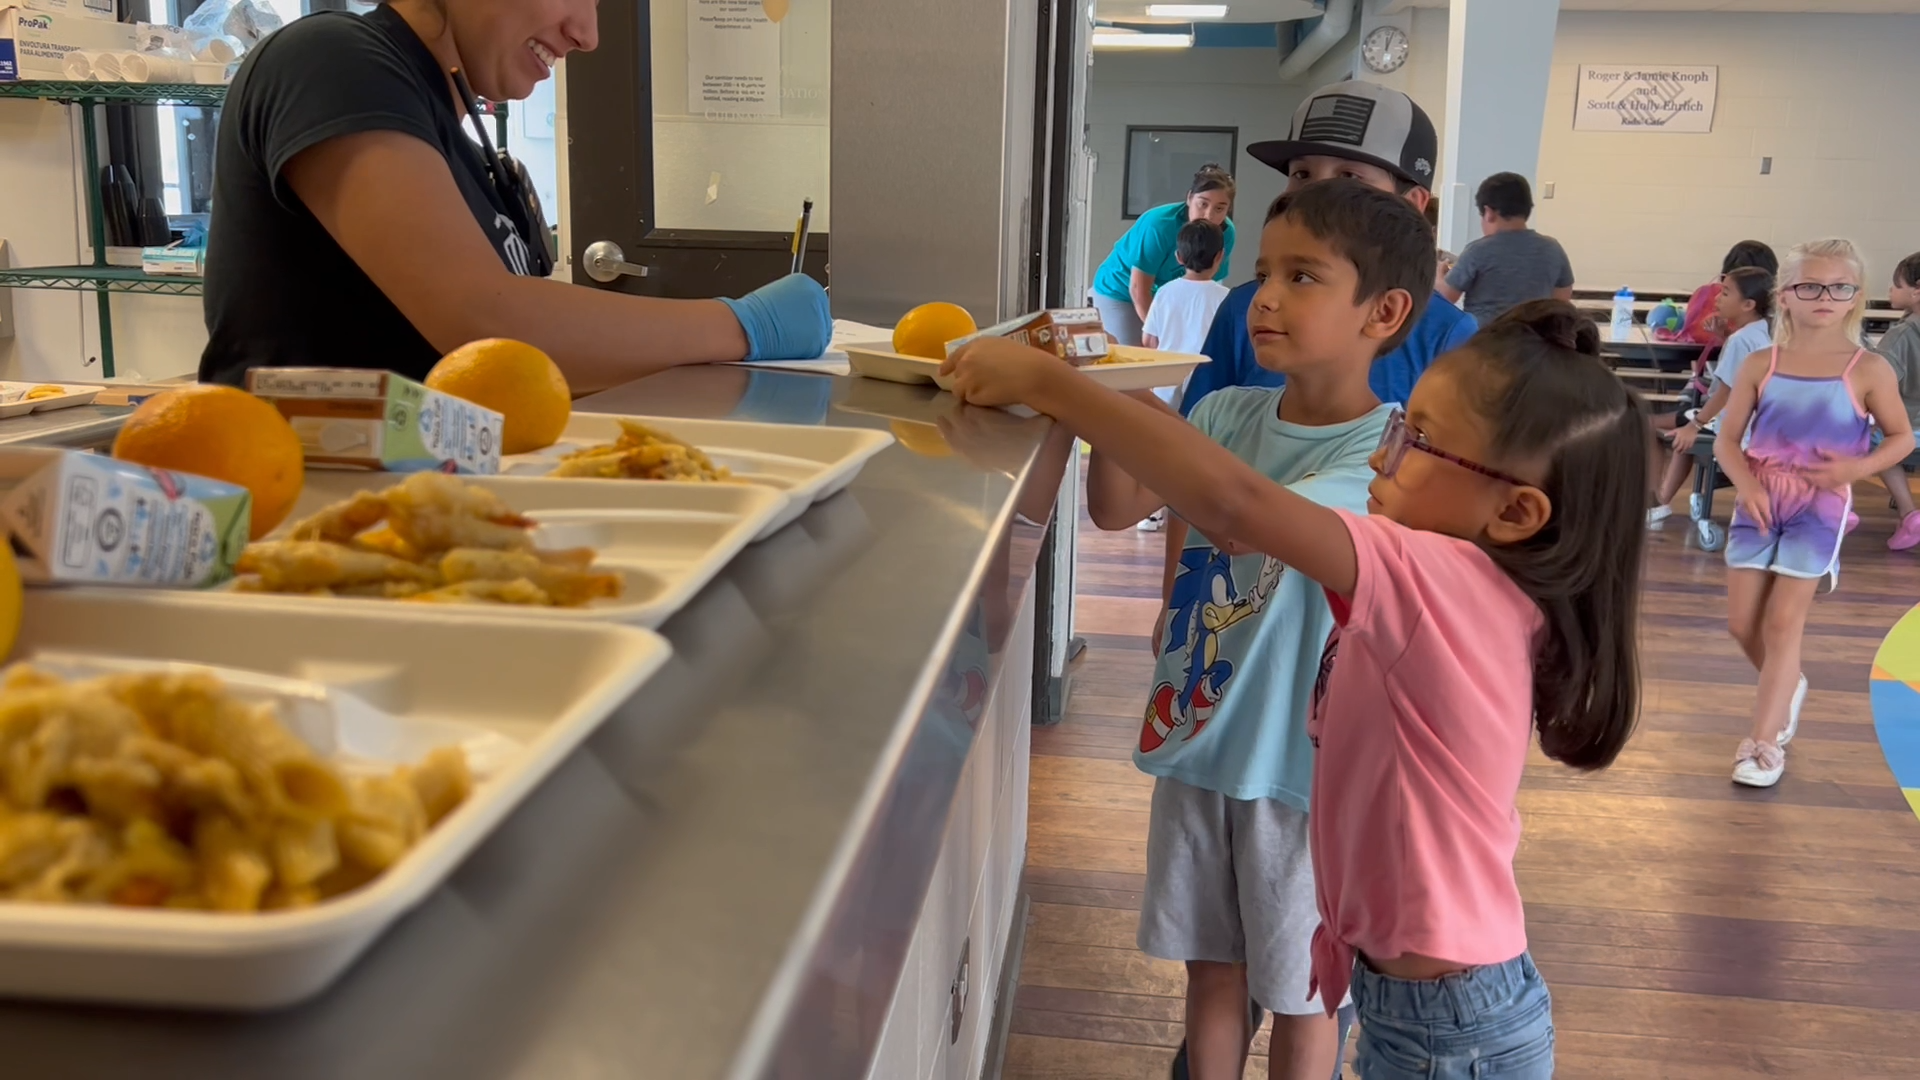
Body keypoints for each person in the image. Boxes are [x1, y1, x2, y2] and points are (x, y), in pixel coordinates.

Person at [942, 298, 1650, 1080]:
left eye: (1417, 441)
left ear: (1516, 511)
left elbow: (1238, 508)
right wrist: (1101, 381)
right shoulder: (1462, 585)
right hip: (1432, 1008)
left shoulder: (1446, 582)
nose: (1385, 457)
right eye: (1398, 426)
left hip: (1454, 1035)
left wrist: (1055, 389)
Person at [1080, 181, 1428, 1080]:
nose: (1264, 296)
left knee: (1306, 998)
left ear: (1384, 312)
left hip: (1300, 776)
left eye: (1303, 276)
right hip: (1196, 736)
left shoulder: (1389, 452)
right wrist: (1117, 397)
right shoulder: (1227, 415)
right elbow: (1119, 508)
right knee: (1212, 977)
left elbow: (1243, 516)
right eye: (1263, 270)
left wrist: (1118, 412)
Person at [197, 0, 831, 393]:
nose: (587, 32)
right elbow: (485, 322)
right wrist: (742, 325)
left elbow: (544, 357)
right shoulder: (333, 61)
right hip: (312, 522)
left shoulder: (457, 127)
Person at [1716, 239, 1915, 788]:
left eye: (1839, 287)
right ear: (1785, 296)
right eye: (1809, 286)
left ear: (1855, 297)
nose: (1824, 296)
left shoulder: (1869, 368)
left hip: (1819, 506)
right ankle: (1789, 686)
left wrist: (1855, 470)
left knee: (1783, 624)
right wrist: (1746, 484)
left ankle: (1763, 741)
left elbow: (1900, 439)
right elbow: (1727, 443)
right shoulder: (1761, 363)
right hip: (1760, 500)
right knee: (1741, 623)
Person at [1188, 81, 1476, 414]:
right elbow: (1188, 442)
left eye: (1349, 178)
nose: (1315, 194)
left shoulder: (1447, 332)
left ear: (1411, 204)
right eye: (1302, 173)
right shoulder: (1245, 308)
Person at [1650, 267, 1773, 524]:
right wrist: (1724, 336)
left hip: (1735, 424)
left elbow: (1726, 394)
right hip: (1754, 421)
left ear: (1748, 304)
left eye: (1725, 293)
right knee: (1684, 427)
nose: (1717, 298)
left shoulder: (1741, 340)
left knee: (1669, 431)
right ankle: (1661, 502)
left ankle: (1658, 502)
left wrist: (1695, 426)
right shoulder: (1761, 332)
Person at [1092, 166, 1237, 346]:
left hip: (1161, 292)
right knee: (1134, 355)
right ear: (1189, 198)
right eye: (1203, 204)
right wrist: (1161, 331)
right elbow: (1138, 289)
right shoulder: (1159, 225)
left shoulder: (1226, 233)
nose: (1209, 215)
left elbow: (1206, 286)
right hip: (1121, 289)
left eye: (1219, 208)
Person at [1439, 173, 1575, 325]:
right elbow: (1561, 301)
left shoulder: (1477, 251)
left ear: (1489, 213)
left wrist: (1439, 275)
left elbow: (1444, 300)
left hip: (1484, 342)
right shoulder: (1553, 249)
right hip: (1535, 342)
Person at [1874, 252, 1920, 550]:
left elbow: (1877, 387)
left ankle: (1908, 512)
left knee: (1876, 440)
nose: (1890, 290)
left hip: (1910, 428)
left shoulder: (1899, 336)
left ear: (1917, 291)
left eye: (1896, 284)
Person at [1142, 221, 1231, 355]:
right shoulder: (1227, 297)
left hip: (1170, 372)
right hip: (1208, 372)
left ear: (1179, 257)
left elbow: (1148, 340)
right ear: (1220, 256)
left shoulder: (1164, 292)